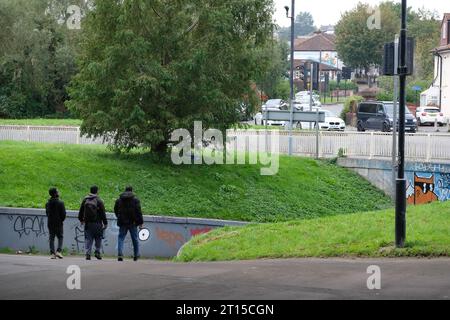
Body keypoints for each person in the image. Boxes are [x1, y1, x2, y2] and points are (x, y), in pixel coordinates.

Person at [114, 186, 144, 262]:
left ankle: (120, 254)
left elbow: (115, 209)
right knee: (135, 239)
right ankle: (136, 255)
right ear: (132, 191)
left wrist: (119, 217)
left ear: (125, 190)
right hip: (133, 223)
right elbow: (139, 212)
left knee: (121, 238)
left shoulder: (119, 200)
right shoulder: (135, 200)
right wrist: (140, 222)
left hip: (122, 222)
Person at [78, 186, 108, 260]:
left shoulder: (85, 200)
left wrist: (81, 219)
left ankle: (88, 253)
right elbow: (103, 213)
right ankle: (97, 252)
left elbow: (81, 211)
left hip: (88, 224)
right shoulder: (99, 201)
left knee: (88, 239)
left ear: (90, 191)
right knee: (98, 238)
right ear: (97, 191)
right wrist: (105, 223)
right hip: (98, 223)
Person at [45, 188, 67, 259]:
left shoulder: (48, 203)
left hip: (50, 223)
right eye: (58, 191)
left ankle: (52, 254)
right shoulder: (61, 203)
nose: (59, 192)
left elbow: (47, 214)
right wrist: (61, 220)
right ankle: (58, 251)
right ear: (55, 193)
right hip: (58, 223)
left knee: (51, 237)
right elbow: (63, 214)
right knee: (60, 237)